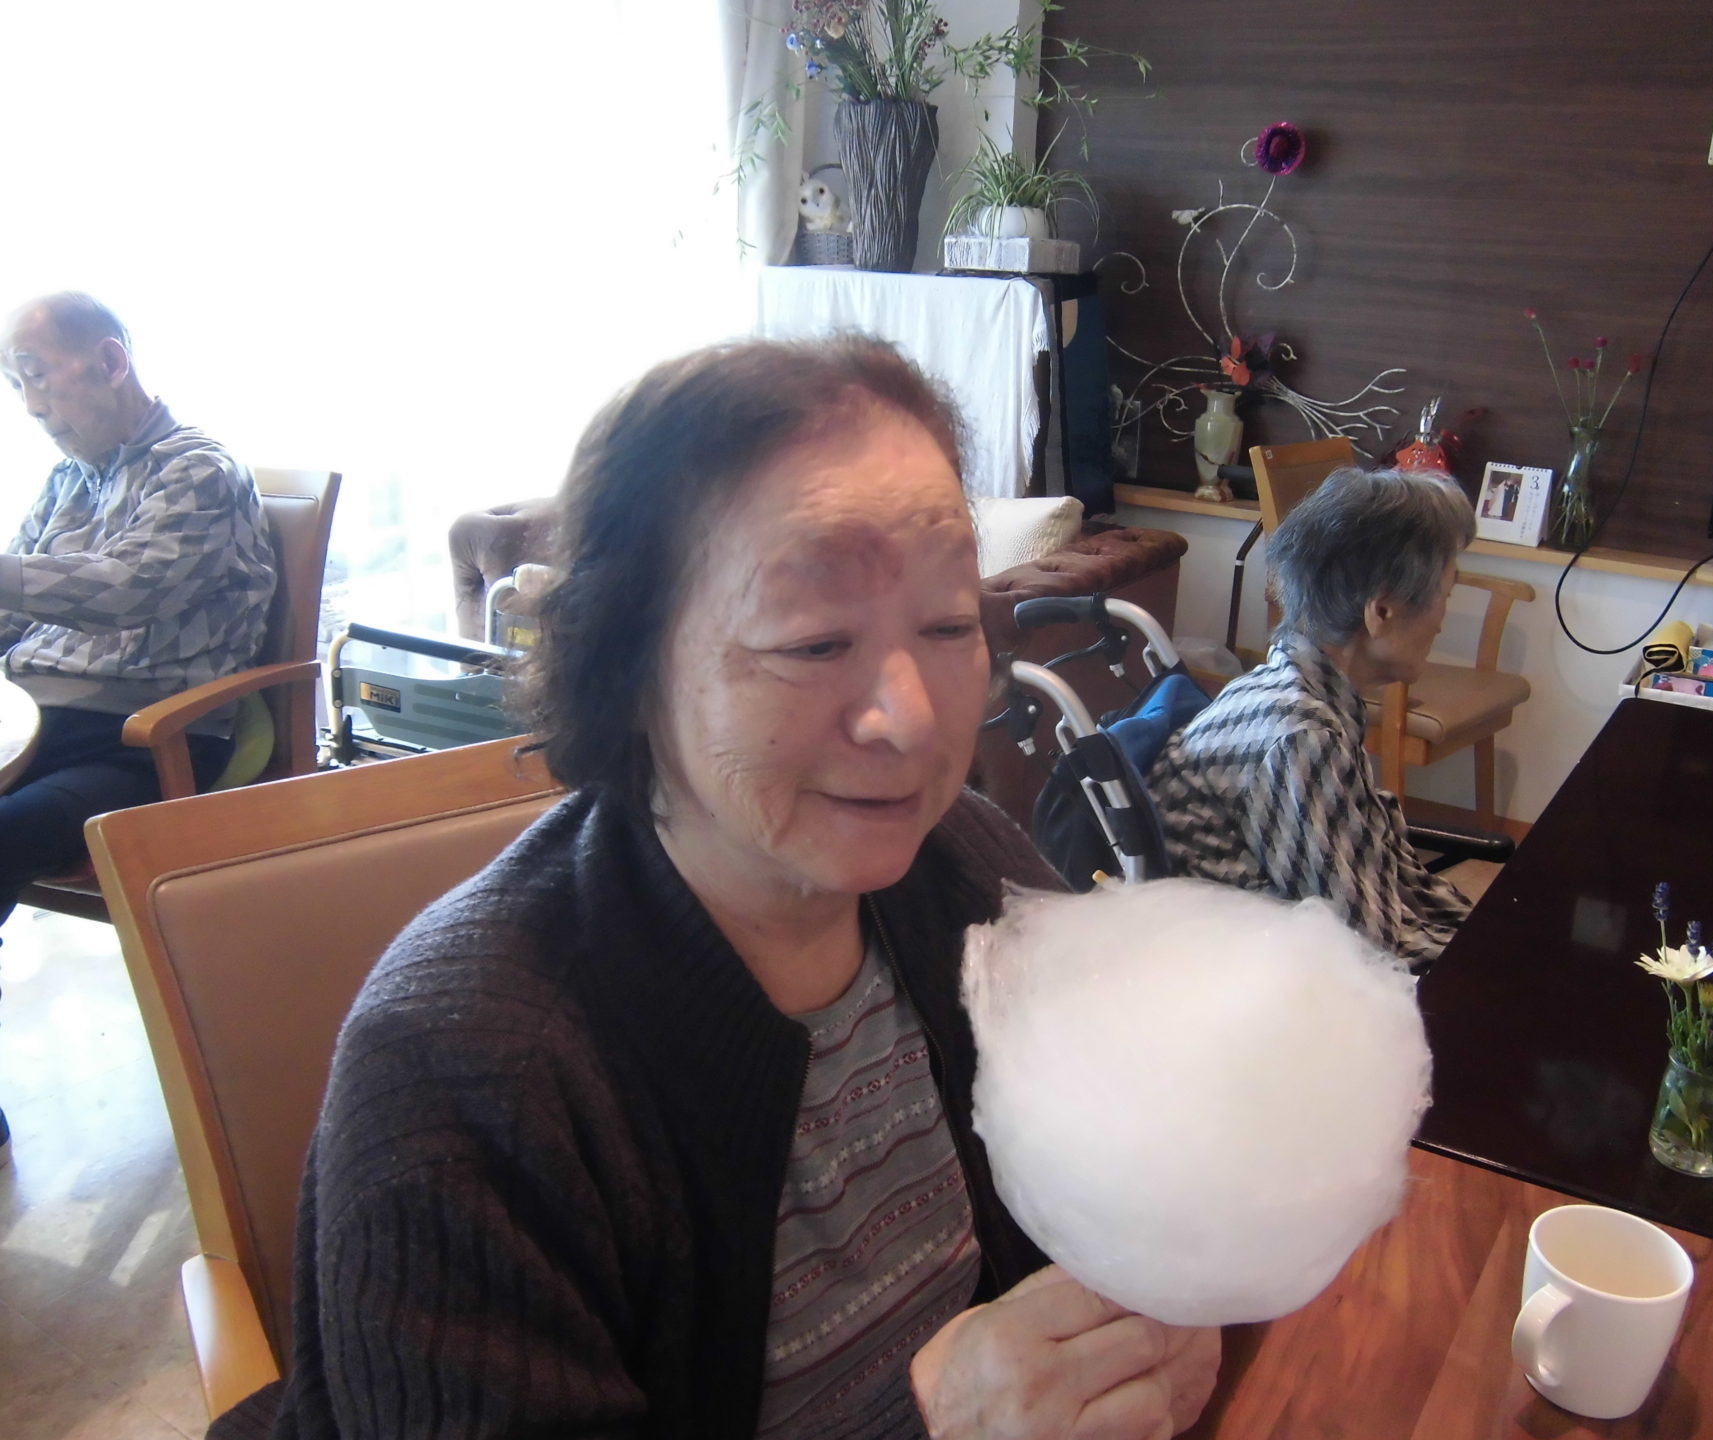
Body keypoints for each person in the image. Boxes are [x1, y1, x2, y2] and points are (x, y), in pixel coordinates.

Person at [241, 336, 1219, 1440]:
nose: (911, 718)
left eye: (949, 626)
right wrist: (942, 1424)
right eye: (815, 642)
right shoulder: (472, 1076)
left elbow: (1111, 1168)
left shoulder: (968, 866)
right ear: (627, 666)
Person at [0, 292, 276, 1166]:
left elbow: (127, 591)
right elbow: (13, 615)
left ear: (110, 361)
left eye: (36, 376)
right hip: (38, 721)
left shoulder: (196, 470)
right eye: (14, 384)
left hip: (146, 740)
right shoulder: (69, 481)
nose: (30, 405)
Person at [1147, 465, 1476, 969]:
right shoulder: (1301, 737)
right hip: (1268, 983)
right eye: (1444, 597)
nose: (1442, 621)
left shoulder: (1292, 689)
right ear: (1381, 611)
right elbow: (1366, 955)